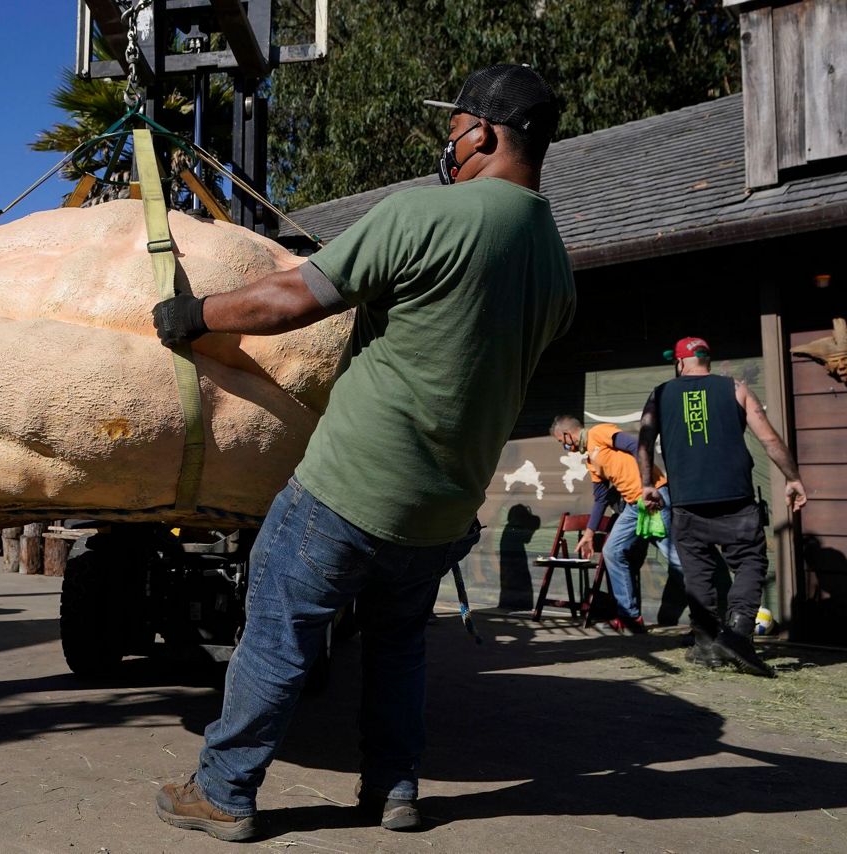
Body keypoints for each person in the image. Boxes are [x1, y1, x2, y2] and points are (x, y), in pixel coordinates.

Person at [149, 64, 575, 840]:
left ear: (481, 132)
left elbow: (290, 298)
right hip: (445, 507)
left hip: (348, 488)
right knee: (398, 650)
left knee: (277, 636)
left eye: (453, 130)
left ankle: (224, 790)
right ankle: (393, 789)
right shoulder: (555, 262)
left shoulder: (427, 215)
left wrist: (195, 312)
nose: (448, 145)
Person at [638, 336, 807, 678]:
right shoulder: (736, 389)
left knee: (698, 572)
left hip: (687, 501)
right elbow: (769, 438)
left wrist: (646, 485)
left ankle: (706, 646)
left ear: (680, 362)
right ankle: (740, 634)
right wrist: (792, 477)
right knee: (749, 561)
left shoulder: (660, 394)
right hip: (736, 499)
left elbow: (643, 441)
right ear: (707, 361)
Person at [550, 415, 683, 632]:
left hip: (653, 497)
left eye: (561, 441)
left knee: (675, 557)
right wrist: (589, 533)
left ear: (568, 434)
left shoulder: (599, 433)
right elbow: (601, 498)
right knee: (612, 551)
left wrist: (647, 485)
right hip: (633, 506)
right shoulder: (591, 461)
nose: (564, 447)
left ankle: (710, 614)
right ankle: (630, 618)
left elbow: (635, 446)